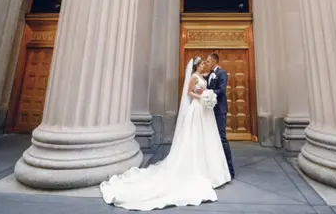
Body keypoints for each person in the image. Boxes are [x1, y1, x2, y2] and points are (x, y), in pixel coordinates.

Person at [100, 56, 231, 211]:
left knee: (208, 138)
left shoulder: (205, 77)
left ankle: (214, 170)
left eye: (205, 62)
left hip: (204, 111)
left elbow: (210, 89)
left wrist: (207, 95)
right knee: (195, 137)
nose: (204, 65)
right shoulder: (194, 77)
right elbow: (189, 93)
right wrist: (202, 96)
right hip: (197, 108)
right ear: (196, 66)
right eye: (202, 63)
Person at [204, 53, 235, 179]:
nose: (206, 63)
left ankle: (229, 169)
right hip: (210, 110)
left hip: (219, 110)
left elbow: (222, 91)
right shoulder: (209, 75)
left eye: (208, 61)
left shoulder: (222, 73)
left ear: (214, 61)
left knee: (222, 138)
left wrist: (207, 92)